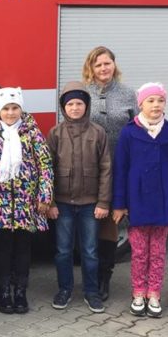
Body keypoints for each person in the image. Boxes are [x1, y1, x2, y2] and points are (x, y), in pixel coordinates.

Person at [112, 83, 168, 318]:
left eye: (160, 100)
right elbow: (120, 170)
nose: (156, 105)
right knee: (138, 252)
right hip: (137, 202)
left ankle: (153, 293)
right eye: (151, 101)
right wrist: (119, 204)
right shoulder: (129, 132)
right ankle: (138, 293)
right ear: (140, 105)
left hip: (164, 203)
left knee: (157, 252)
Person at [0, 88, 53, 315]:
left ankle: (20, 291)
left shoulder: (33, 134)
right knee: (2, 247)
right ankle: (4, 292)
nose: (10, 113)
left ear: (21, 109)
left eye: (14, 108)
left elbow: (45, 166)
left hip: (25, 202)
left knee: (22, 247)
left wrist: (44, 195)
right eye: (6, 109)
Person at [46, 82, 112, 314]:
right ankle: (64, 289)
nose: (75, 108)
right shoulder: (55, 133)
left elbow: (106, 168)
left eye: (79, 103)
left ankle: (91, 292)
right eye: (70, 104)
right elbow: (47, 169)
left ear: (87, 105)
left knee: (90, 251)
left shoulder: (98, 133)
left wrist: (103, 202)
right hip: (62, 204)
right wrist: (51, 202)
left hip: (90, 205)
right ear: (64, 107)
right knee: (63, 250)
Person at [82, 46, 137, 301]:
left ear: (114, 65)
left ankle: (104, 278)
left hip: (118, 171)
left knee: (109, 230)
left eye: (108, 63)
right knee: (88, 228)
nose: (104, 68)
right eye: (98, 65)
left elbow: (140, 131)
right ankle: (88, 279)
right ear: (90, 69)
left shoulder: (129, 95)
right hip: (87, 174)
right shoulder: (82, 95)